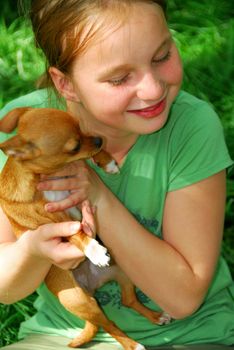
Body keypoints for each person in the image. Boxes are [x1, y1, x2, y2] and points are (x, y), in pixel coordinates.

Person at [0, 1, 233, 349]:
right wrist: (34, 250)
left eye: (161, 56)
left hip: (191, 337)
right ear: (66, 85)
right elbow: (6, 289)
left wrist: (96, 194)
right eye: (120, 78)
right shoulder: (30, 132)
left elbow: (183, 299)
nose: (152, 89)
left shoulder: (191, 128)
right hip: (62, 336)